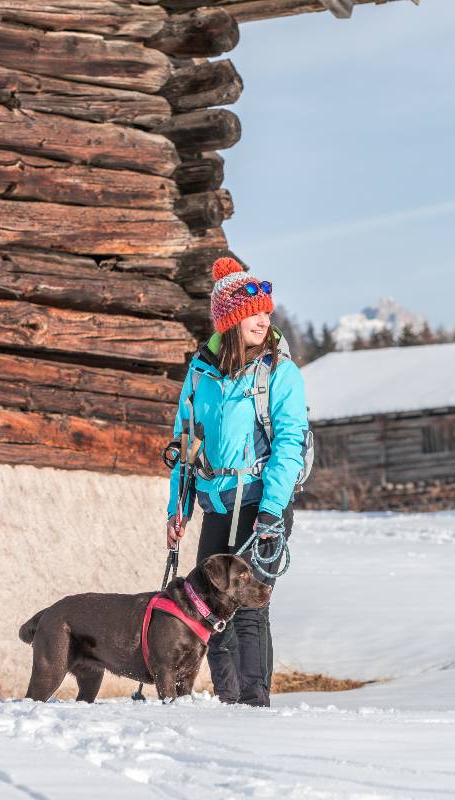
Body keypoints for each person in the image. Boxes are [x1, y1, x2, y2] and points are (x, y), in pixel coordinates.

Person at [165, 257, 309, 707]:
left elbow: (289, 444)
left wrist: (271, 513)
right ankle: (228, 702)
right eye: (254, 313)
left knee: (249, 605)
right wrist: (179, 508)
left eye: (267, 312)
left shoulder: (280, 373)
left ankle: (254, 704)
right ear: (230, 320)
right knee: (208, 605)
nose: (263, 320)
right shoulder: (201, 372)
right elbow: (185, 443)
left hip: (262, 501)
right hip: (217, 502)